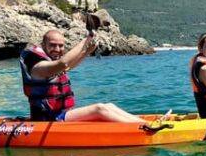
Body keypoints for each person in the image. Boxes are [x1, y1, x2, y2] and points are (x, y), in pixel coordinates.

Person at [19, 28, 147, 123]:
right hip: (48, 119)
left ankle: (144, 124)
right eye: (52, 45)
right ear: (43, 45)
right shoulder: (38, 67)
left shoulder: (51, 64)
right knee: (99, 109)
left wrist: (87, 51)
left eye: (60, 46)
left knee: (109, 106)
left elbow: (68, 67)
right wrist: (86, 40)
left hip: (60, 115)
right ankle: (144, 129)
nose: (57, 49)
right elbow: (64, 63)